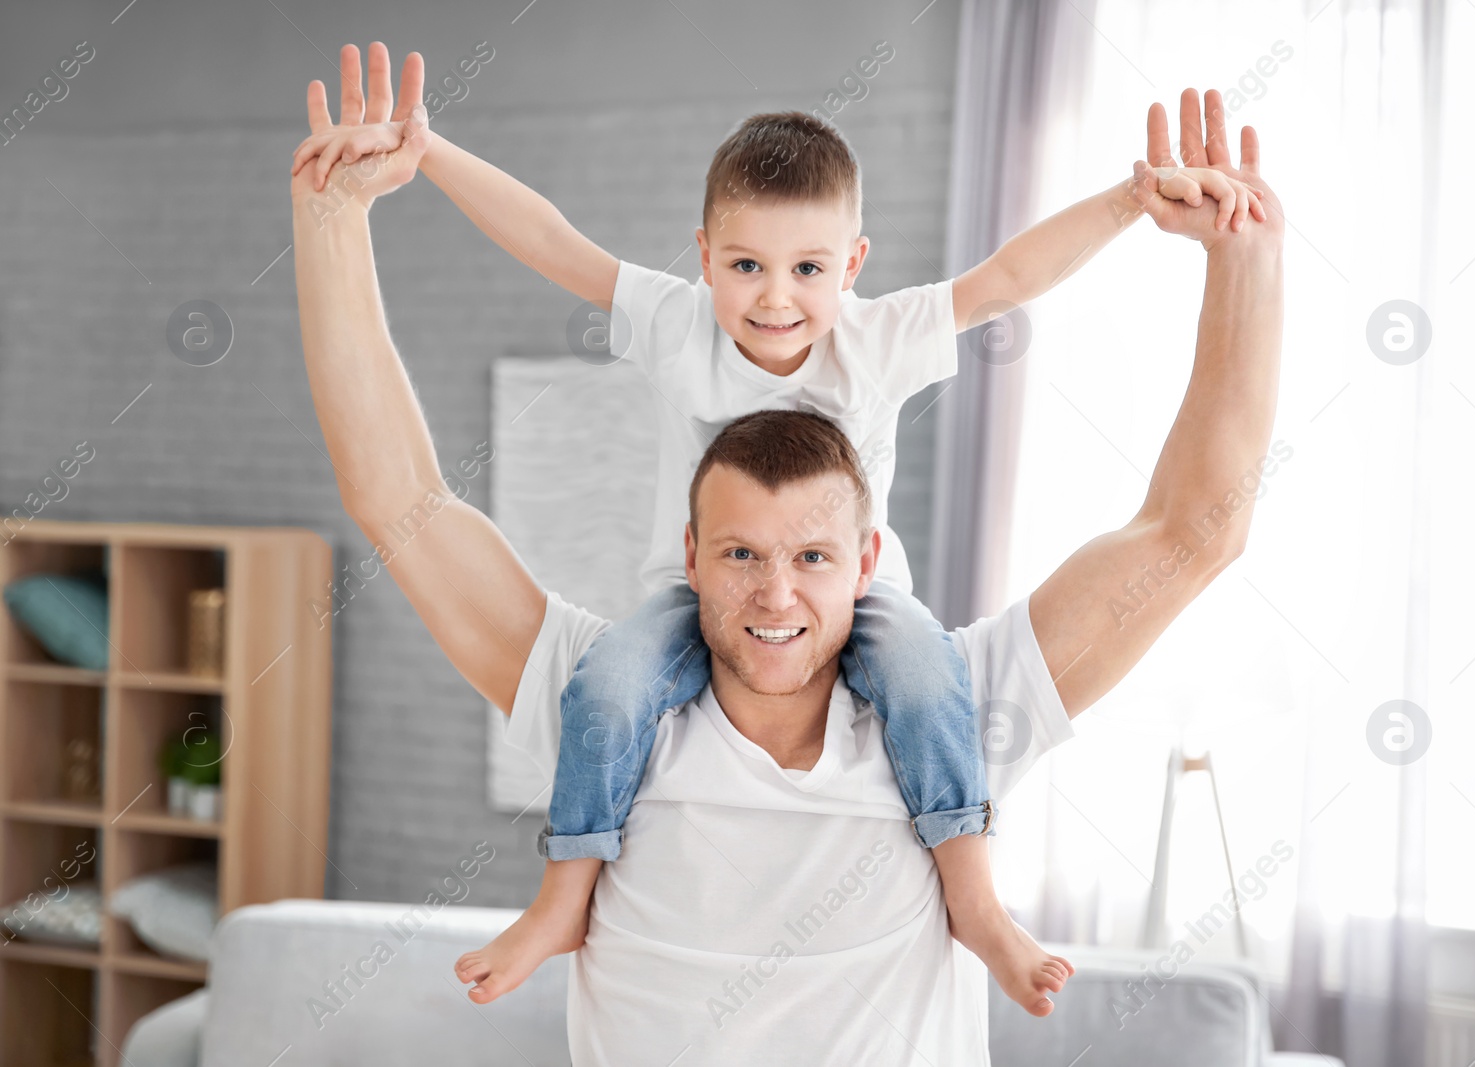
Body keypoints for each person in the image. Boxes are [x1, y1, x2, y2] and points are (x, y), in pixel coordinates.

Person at [289, 43, 1284, 1064]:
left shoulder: (947, 703)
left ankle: (979, 906)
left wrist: (1238, 252)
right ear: (688, 550)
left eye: (811, 556)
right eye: (736, 553)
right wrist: (333, 215)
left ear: (864, 560)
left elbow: (1195, 528)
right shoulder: (607, 706)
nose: (772, 591)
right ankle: (559, 899)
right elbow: (397, 496)